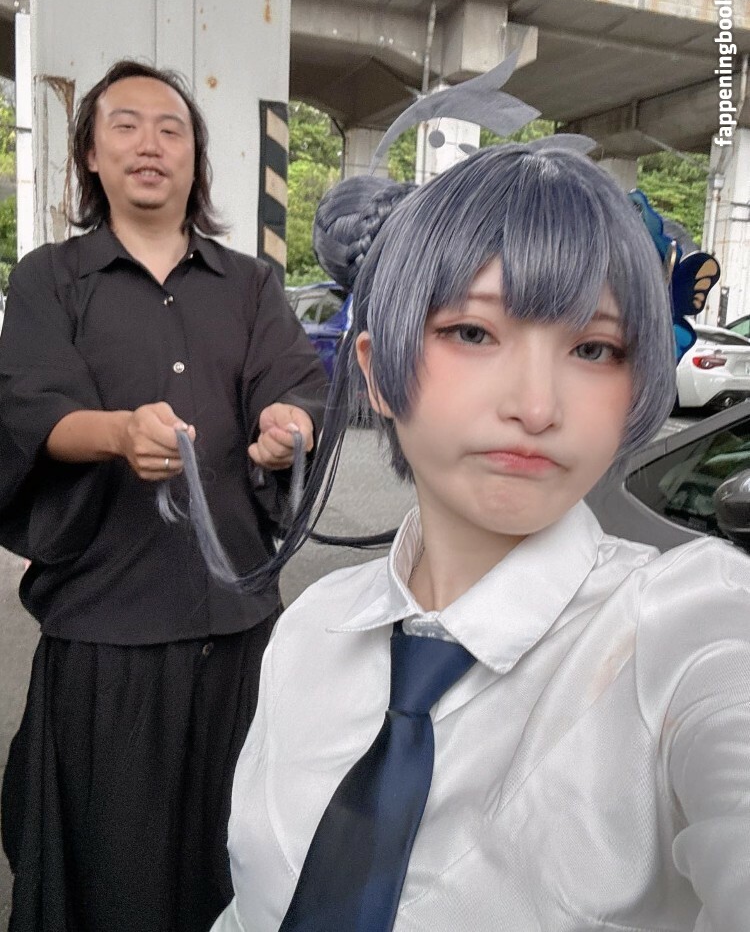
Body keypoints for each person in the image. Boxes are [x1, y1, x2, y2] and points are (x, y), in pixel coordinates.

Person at [212, 144, 750, 931]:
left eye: (593, 349)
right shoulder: (310, 631)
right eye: (471, 332)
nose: (536, 405)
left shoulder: (687, 628)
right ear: (377, 371)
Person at [0, 60, 327, 932]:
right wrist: (115, 433)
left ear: (195, 158)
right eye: (126, 125)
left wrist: (288, 425)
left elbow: (295, 384)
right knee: (115, 878)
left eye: (171, 128)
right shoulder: (49, 278)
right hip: (108, 634)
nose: (150, 143)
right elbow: (31, 409)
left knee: (239, 860)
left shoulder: (252, 284)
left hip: (240, 633)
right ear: (91, 156)